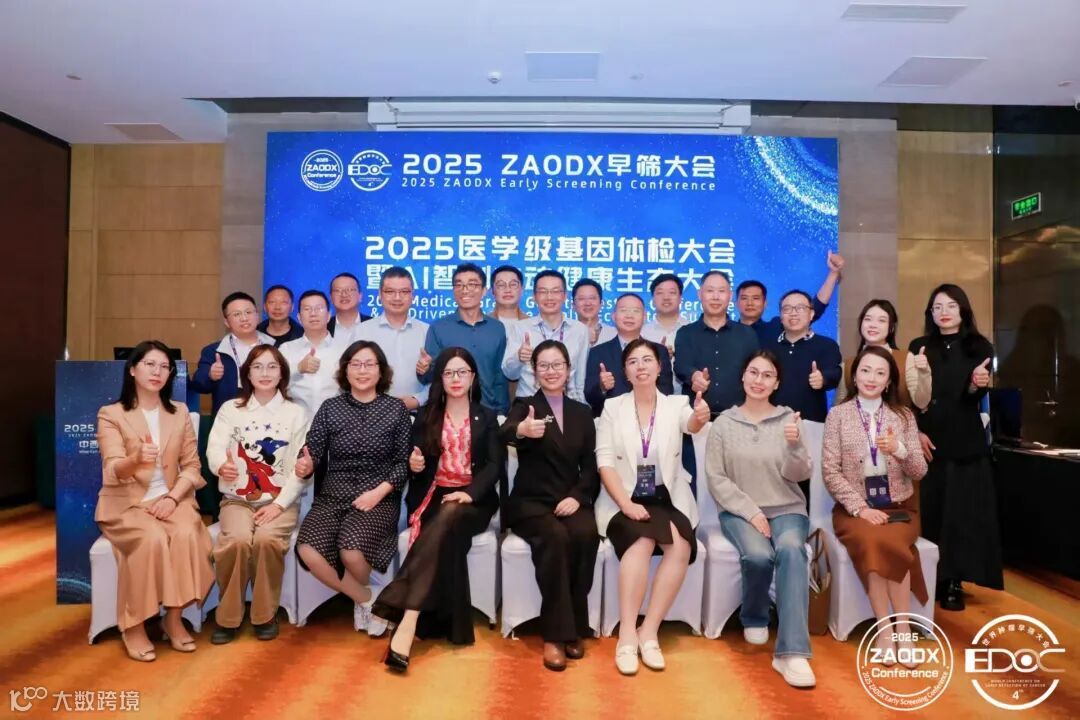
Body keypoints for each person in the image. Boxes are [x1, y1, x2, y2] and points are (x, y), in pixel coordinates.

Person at [372, 348, 502, 672]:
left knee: (449, 515)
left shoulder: (487, 416)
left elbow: (494, 466)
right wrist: (415, 465)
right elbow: (416, 462)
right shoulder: (427, 416)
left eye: (462, 372)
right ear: (440, 378)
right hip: (434, 494)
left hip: (474, 499)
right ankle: (421, 620)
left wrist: (469, 494)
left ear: (473, 377)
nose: (456, 379)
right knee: (445, 530)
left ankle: (407, 620)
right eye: (448, 373)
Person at [596, 338, 710, 675]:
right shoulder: (612, 408)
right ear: (625, 371)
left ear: (660, 367)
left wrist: (700, 417)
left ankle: (649, 631)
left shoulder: (676, 404)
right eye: (633, 361)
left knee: (680, 545)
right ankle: (627, 636)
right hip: (623, 498)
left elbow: (691, 424)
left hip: (666, 498)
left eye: (648, 359)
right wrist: (626, 504)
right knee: (641, 540)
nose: (641, 366)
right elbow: (605, 463)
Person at [94, 340, 213, 662]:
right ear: (133, 370)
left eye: (164, 366)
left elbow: (192, 467)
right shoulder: (111, 414)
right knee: (152, 538)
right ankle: (133, 624)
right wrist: (136, 459)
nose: (157, 372)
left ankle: (172, 618)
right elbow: (113, 468)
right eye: (149, 364)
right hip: (126, 503)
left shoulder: (179, 412)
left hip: (170, 498)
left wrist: (173, 499)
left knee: (188, 534)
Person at [705, 351, 815, 688]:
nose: (758, 380)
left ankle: (791, 653)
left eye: (767, 375)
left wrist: (794, 446)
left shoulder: (789, 420)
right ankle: (754, 615)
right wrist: (751, 511)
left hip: (787, 507)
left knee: (792, 550)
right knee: (758, 555)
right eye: (753, 372)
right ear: (743, 377)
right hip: (740, 510)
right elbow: (716, 478)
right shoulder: (723, 423)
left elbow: (800, 474)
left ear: (776, 383)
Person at [293, 341, 411, 628]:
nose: (362, 370)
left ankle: (365, 604)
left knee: (351, 549)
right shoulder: (330, 408)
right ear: (345, 370)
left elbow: (403, 463)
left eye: (369, 364)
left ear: (381, 371)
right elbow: (312, 449)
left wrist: (378, 493)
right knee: (307, 549)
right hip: (333, 495)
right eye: (355, 364)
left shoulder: (395, 409)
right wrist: (306, 464)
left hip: (379, 495)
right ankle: (367, 599)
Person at [823, 346, 929, 665]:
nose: (871, 378)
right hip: (854, 510)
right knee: (873, 539)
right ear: (854, 376)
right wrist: (860, 508)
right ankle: (885, 630)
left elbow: (919, 471)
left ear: (889, 381)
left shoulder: (904, 416)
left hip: (899, 508)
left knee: (888, 540)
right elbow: (830, 471)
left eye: (880, 373)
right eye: (865, 370)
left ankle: (903, 630)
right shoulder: (838, 415)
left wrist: (899, 449)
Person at [500, 340, 600, 671]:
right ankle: (556, 635)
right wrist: (522, 430)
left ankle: (575, 625)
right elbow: (505, 434)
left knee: (585, 535)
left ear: (569, 370)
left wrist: (577, 496)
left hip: (570, 500)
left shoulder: (582, 413)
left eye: (557, 365)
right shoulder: (525, 405)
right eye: (543, 365)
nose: (551, 371)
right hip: (531, 503)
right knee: (555, 538)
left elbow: (591, 467)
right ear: (534, 371)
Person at [907, 284, 1002, 610]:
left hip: (964, 442)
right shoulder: (919, 347)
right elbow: (911, 396)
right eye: (937, 307)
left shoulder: (980, 347)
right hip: (927, 441)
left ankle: (953, 581)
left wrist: (977, 385)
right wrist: (916, 432)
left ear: (962, 309)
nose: (943, 312)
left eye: (950, 305)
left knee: (960, 515)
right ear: (930, 313)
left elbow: (973, 397)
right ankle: (930, 575)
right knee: (931, 511)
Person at [205, 344, 308, 643]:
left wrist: (280, 505)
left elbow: (300, 467)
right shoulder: (230, 409)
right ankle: (228, 617)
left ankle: (264, 615)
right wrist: (221, 466)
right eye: (258, 366)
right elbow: (215, 448)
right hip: (237, 500)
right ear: (247, 373)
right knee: (236, 541)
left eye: (272, 366)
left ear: (282, 374)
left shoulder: (296, 413)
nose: (265, 373)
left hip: (280, 501)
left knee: (266, 541)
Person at [768, 289, 843, 505]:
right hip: (773, 426)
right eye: (787, 309)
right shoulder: (769, 347)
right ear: (780, 315)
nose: (793, 313)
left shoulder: (826, 345)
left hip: (811, 426)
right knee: (773, 480)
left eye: (800, 308)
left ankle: (806, 524)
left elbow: (836, 373)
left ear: (811, 314)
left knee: (808, 484)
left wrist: (823, 379)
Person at [421, 263, 509, 413]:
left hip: (488, 411)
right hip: (449, 412)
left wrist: (502, 412)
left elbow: (498, 375)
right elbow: (431, 378)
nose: (465, 290)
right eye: (459, 285)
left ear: (484, 291)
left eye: (472, 284)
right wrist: (424, 369)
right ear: (453, 291)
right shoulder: (439, 328)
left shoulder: (497, 328)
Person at [673, 271, 759, 417]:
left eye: (721, 291)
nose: (715, 297)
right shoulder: (685, 333)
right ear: (700, 295)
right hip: (697, 418)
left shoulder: (747, 334)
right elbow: (681, 365)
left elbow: (756, 371)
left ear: (730, 296)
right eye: (710, 291)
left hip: (739, 419)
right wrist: (693, 376)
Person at [503, 270, 589, 403]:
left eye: (555, 291)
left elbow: (580, 380)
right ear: (534, 296)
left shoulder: (580, 330)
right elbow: (510, 374)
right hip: (529, 404)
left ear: (564, 296)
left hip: (568, 405)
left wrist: (581, 408)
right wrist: (518, 358)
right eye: (543, 291)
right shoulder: (519, 328)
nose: (549, 297)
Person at [584, 293, 674, 417]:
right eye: (623, 310)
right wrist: (602, 387)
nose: (629, 315)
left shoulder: (659, 351)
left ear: (644, 317)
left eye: (635, 311)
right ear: (613, 316)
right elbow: (589, 397)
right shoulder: (597, 352)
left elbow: (667, 392)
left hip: (650, 419)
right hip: (611, 420)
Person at [354, 266, 430, 411]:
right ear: (379, 295)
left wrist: (418, 400)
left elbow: (440, 377)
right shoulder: (362, 331)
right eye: (390, 292)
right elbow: (351, 373)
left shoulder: (427, 332)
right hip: (371, 414)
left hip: (418, 415)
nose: (397, 298)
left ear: (412, 295)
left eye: (404, 292)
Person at [834, 299, 931, 411]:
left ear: (892, 328)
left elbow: (921, 403)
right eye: (868, 319)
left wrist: (924, 373)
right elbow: (839, 406)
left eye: (881, 320)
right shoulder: (848, 365)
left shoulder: (905, 359)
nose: (873, 325)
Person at [189, 292, 274, 416]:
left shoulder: (275, 347)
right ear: (227, 322)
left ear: (257, 315)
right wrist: (210, 375)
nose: (244, 318)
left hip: (268, 414)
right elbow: (198, 384)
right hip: (228, 417)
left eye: (248, 312)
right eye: (237, 314)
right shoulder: (214, 351)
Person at [736, 250, 845, 346]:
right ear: (736, 303)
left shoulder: (777, 326)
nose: (750, 303)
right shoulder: (728, 331)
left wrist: (833, 273)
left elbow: (816, 307)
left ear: (765, 303)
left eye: (755, 298)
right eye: (744, 298)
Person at [279, 290, 345, 420]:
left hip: (335, 423)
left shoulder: (344, 349)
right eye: (307, 309)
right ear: (299, 317)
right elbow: (274, 382)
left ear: (328, 315)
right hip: (296, 422)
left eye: (319, 308)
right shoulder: (286, 349)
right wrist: (298, 368)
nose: (313, 313)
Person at [641, 273, 688, 393]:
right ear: (652, 299)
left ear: (680, 298)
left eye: (672, 292)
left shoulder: (692, 330)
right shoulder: (642, 333)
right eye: (660, 293)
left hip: (689, 397)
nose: (666, 297)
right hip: (651, 397)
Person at [326, 272, 371, 342]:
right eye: (338, 290)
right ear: (331, 298)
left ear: (360, 296)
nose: (344, 294)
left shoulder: (373, 325)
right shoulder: (322, 327)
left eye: (350, 290)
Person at [572, 278, 617, 347]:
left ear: (601, 303)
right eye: (581, 298)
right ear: (573, 305)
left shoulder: (614, 334)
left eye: (592, 298)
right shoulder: (565, 334)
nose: (587, 303)